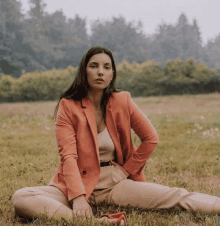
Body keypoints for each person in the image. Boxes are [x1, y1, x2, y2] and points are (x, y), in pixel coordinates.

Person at [12, 46, 220, 225]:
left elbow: (150, 138)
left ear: (112, 74)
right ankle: (94, 223)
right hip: (71, 184)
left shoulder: (123, 101)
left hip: (113, 183)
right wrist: (77, 198)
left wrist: (125, 171)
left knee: (176, 197)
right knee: (22, 198)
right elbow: (68, 157)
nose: (100, 72)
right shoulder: (68, 106)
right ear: (84, 71)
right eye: (94, 66)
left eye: (107, 67)